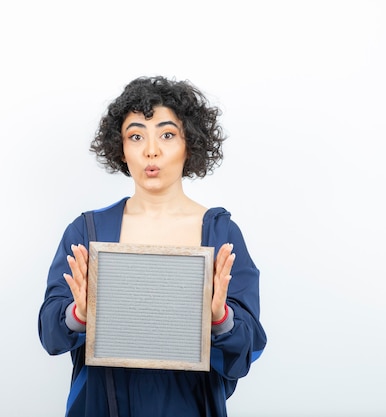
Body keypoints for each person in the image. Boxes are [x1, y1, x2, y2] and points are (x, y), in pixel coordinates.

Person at [38, 75, 267, 417]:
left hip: (188, 405)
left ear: (190, 143)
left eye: (167, 134)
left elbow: (247, 350)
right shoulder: (88, 231)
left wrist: (220, 320)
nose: (151, 150)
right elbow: (50, 333)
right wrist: (79, 314)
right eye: (135, 136)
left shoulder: (220, 234)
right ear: (121, 147)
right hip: (104, 404)